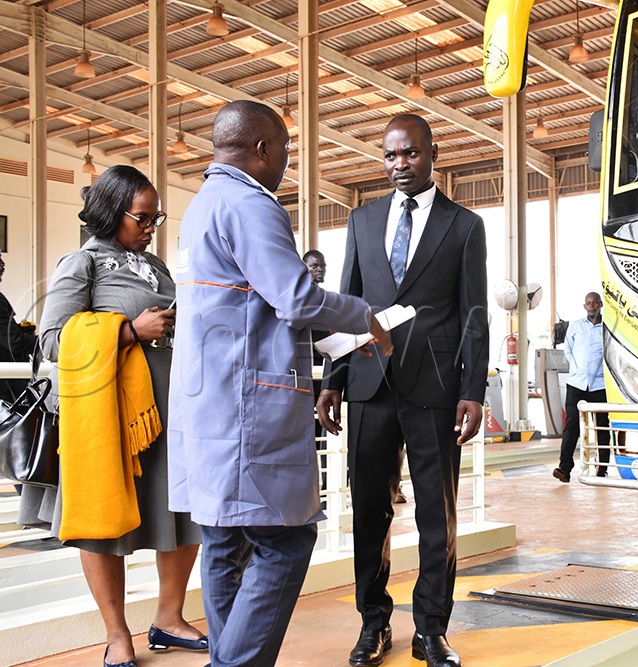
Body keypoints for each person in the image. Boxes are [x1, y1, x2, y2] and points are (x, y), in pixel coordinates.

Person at [167, 100, 391, 667]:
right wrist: (363, 315)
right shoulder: (250, 204)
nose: (287, 163)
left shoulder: (200, 205)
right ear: (263, 149)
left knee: (224, 543)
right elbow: (296, 298)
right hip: (246, 404)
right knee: (287, 541)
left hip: (207, 401)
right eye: (287, 151)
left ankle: (228, 657)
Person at [317, 114, 489, 667]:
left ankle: (431, 629)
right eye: (391, 155)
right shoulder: (362, 221)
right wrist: (333, 380)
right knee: (370, 511)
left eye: (410, 154)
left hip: (435, 387)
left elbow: (475, 313)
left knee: (437, 514)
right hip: (369, 383)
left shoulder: (464, 226)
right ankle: (373, 623)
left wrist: (474, 389)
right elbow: (347, 305)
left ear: (433, 153)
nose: (399, 165)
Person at [18, 165, 205, 667]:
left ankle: (169, 619)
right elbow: (52, 341)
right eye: (142, 218)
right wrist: (129, 330)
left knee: (182, 511)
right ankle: (117, 634)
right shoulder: (82, 263)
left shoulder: (157, 265)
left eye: (155, 218)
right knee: (103, 522)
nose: (150, 228)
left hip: (170, 411)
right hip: (112, 419)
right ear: (110, 213)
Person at [553, 292, 610, 483]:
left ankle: (602, 470)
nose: (592, 306)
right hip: (576, 384)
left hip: (599, 385)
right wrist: (577, 368)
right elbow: (568, 350)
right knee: (571, 426)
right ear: (584, 306)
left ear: (600, 305)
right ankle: (564, 469)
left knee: (601, 427)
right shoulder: (576, 326)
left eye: (595, 303)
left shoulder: (607, 328)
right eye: (588, 303)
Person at [0, 251, 37, 403]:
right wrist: (49, 341)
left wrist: (20, 330)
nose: (2, 264)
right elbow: (15, 342)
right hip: (8, 392)